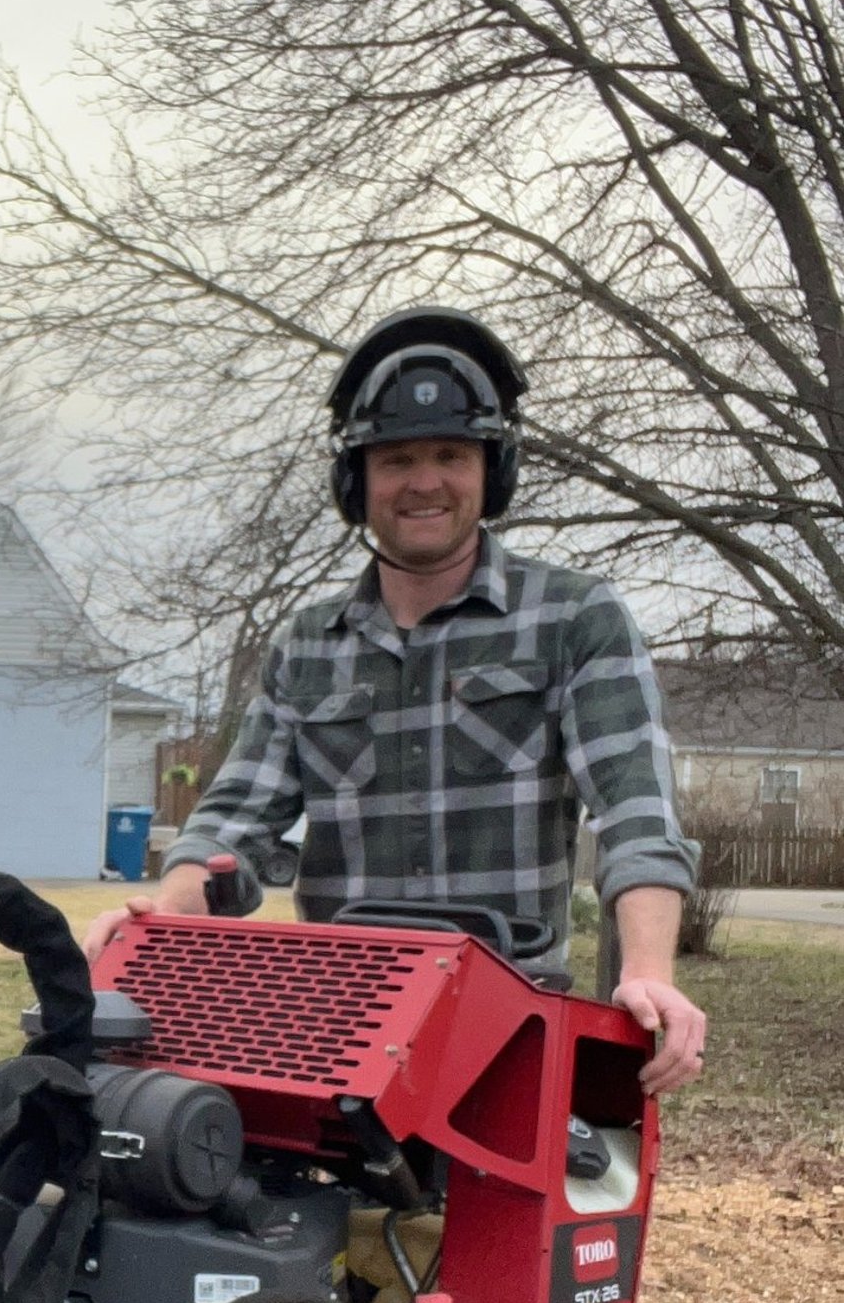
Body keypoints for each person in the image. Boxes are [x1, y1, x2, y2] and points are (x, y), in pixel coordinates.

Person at [84, 308, 707, 1096]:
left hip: (511, 1025)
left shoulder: (573, 618)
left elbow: (637, 813)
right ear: (357, 482)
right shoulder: (308, 644)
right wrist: (165, 919)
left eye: (450, 454)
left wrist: (649, 974)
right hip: (337, 1029)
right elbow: (232, 823)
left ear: (494, 472)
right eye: (396, 459)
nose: (423, 482)